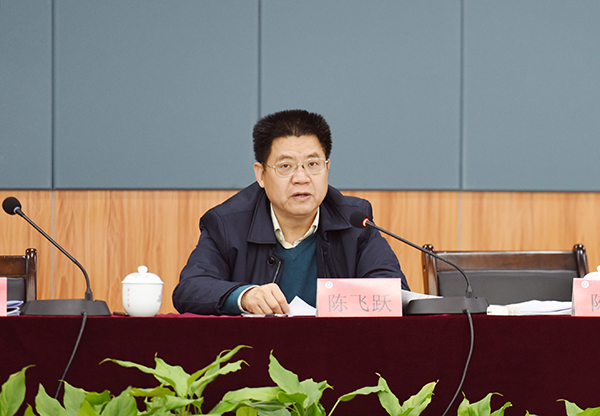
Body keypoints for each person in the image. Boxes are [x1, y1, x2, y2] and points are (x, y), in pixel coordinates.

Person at [173, 109, 409, 315]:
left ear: (327, 168)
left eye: (313, 164)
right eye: (286, 166)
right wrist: (243, 296)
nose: (301, 178)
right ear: (261, 175)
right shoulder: (227, 224)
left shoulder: (355, 222)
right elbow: (190, 288)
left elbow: (394, 290)